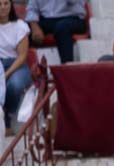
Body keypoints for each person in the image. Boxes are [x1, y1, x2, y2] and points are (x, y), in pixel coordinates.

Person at [23, 0, 87, 65]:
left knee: (62, 28)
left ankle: (67, 67)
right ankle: (26, 68)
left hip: (73, 18)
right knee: (24, 29)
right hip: (48, 19)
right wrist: (34, 26)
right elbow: (32, 9)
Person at [1, 0, 30, 134]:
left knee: (15, 84)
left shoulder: (20, 25)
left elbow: (22, 56)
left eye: (6, 3)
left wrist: (5, 75)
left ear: (11, 5)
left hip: (17, 64)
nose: (3, 7)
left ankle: (7, 117)